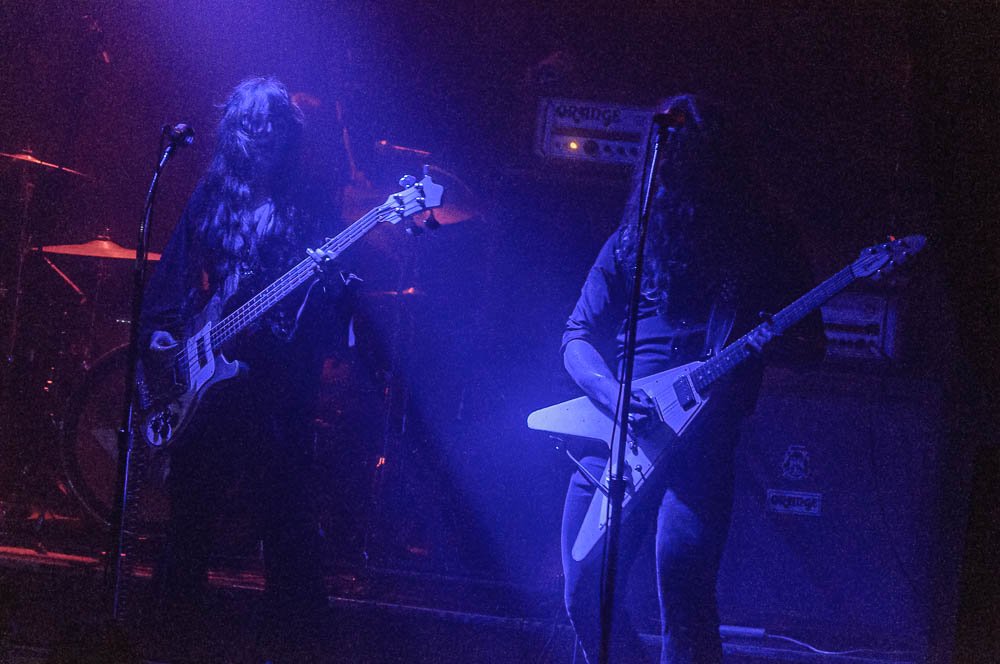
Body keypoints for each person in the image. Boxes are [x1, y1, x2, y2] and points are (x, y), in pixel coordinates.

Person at [558, 93, 814, 664]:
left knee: (686, 600)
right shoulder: (632, 239)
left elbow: (810, 342)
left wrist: (765, 341)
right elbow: (576, 337)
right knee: (582, 593)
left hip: (701, 444)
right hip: (618, 437)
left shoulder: (761, 242)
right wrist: (612, 394)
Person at [139, 77, 352, 661]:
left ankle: (294, 644)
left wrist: (323, 288)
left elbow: (330, 301)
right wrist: (162, 332)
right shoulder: (214, 194)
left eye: (274, 122)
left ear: (289, 133)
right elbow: (174, 274)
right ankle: (172, 636)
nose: (263, 132)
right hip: (209, 378)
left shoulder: (309, 201)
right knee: (192, 509)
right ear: (235, 131)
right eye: (252, 122)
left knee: (285, 513)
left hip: (278, 380)